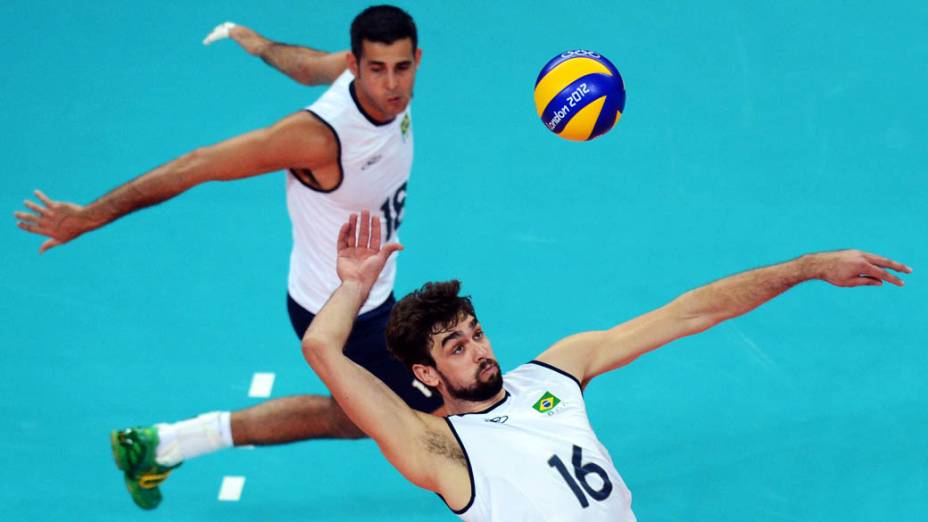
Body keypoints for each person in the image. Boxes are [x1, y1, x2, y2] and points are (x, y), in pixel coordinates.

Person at [13, 5, 440, 510]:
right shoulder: (318, 138)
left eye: (401, 68)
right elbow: (198, 166)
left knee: (355, 418)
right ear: (354, 63)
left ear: (416, 58)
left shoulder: (383, 90)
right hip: (342, 310)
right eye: (376, 69)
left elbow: (306, 65)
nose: (391, 85)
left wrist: (255, 42)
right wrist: (89, 217)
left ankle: (165, 444)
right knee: (442, 413)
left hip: (371, 291)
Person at [302, 210, 911, 521]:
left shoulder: (555, 372)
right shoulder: (437, 445)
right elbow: (322, 350)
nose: (481, 350)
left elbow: (689, 313)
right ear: (426, 375)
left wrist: (805, 267)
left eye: (477, 332)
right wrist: (356, 285)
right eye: (456, 348)